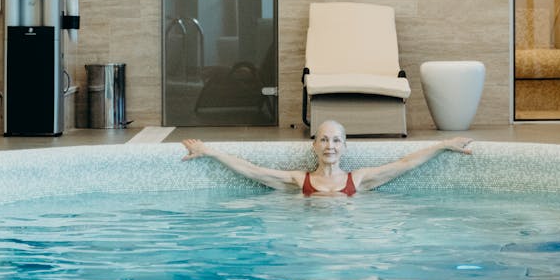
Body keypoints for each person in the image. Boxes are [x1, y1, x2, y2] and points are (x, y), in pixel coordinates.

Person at [180, 119, 473, 196]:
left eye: (335, 140)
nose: (329, 146)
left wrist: (444, 144)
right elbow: (254, 171)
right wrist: (210, 151)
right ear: (314, 146)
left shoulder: (358, 179)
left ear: (344, 146)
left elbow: (404, 164)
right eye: (323, 139)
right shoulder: (300, 180)